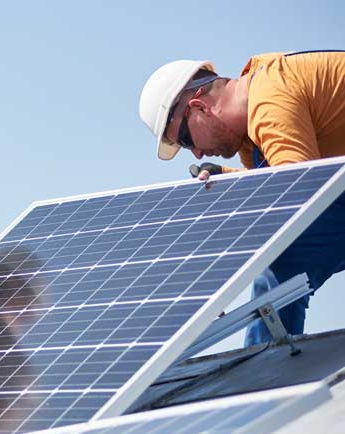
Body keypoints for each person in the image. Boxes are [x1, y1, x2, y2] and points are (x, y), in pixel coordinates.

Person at [139, 51, 345, 346]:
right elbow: (278, 196)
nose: (196, 153)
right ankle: (270, 370)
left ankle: (270, 374)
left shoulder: (269, 96)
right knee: (282, 270)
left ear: (199, 107)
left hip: (327, 189)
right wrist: (233, 184)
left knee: (279, 267)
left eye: (185, 140)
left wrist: (216, 277)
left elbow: (298, 195)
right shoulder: (252, 138)